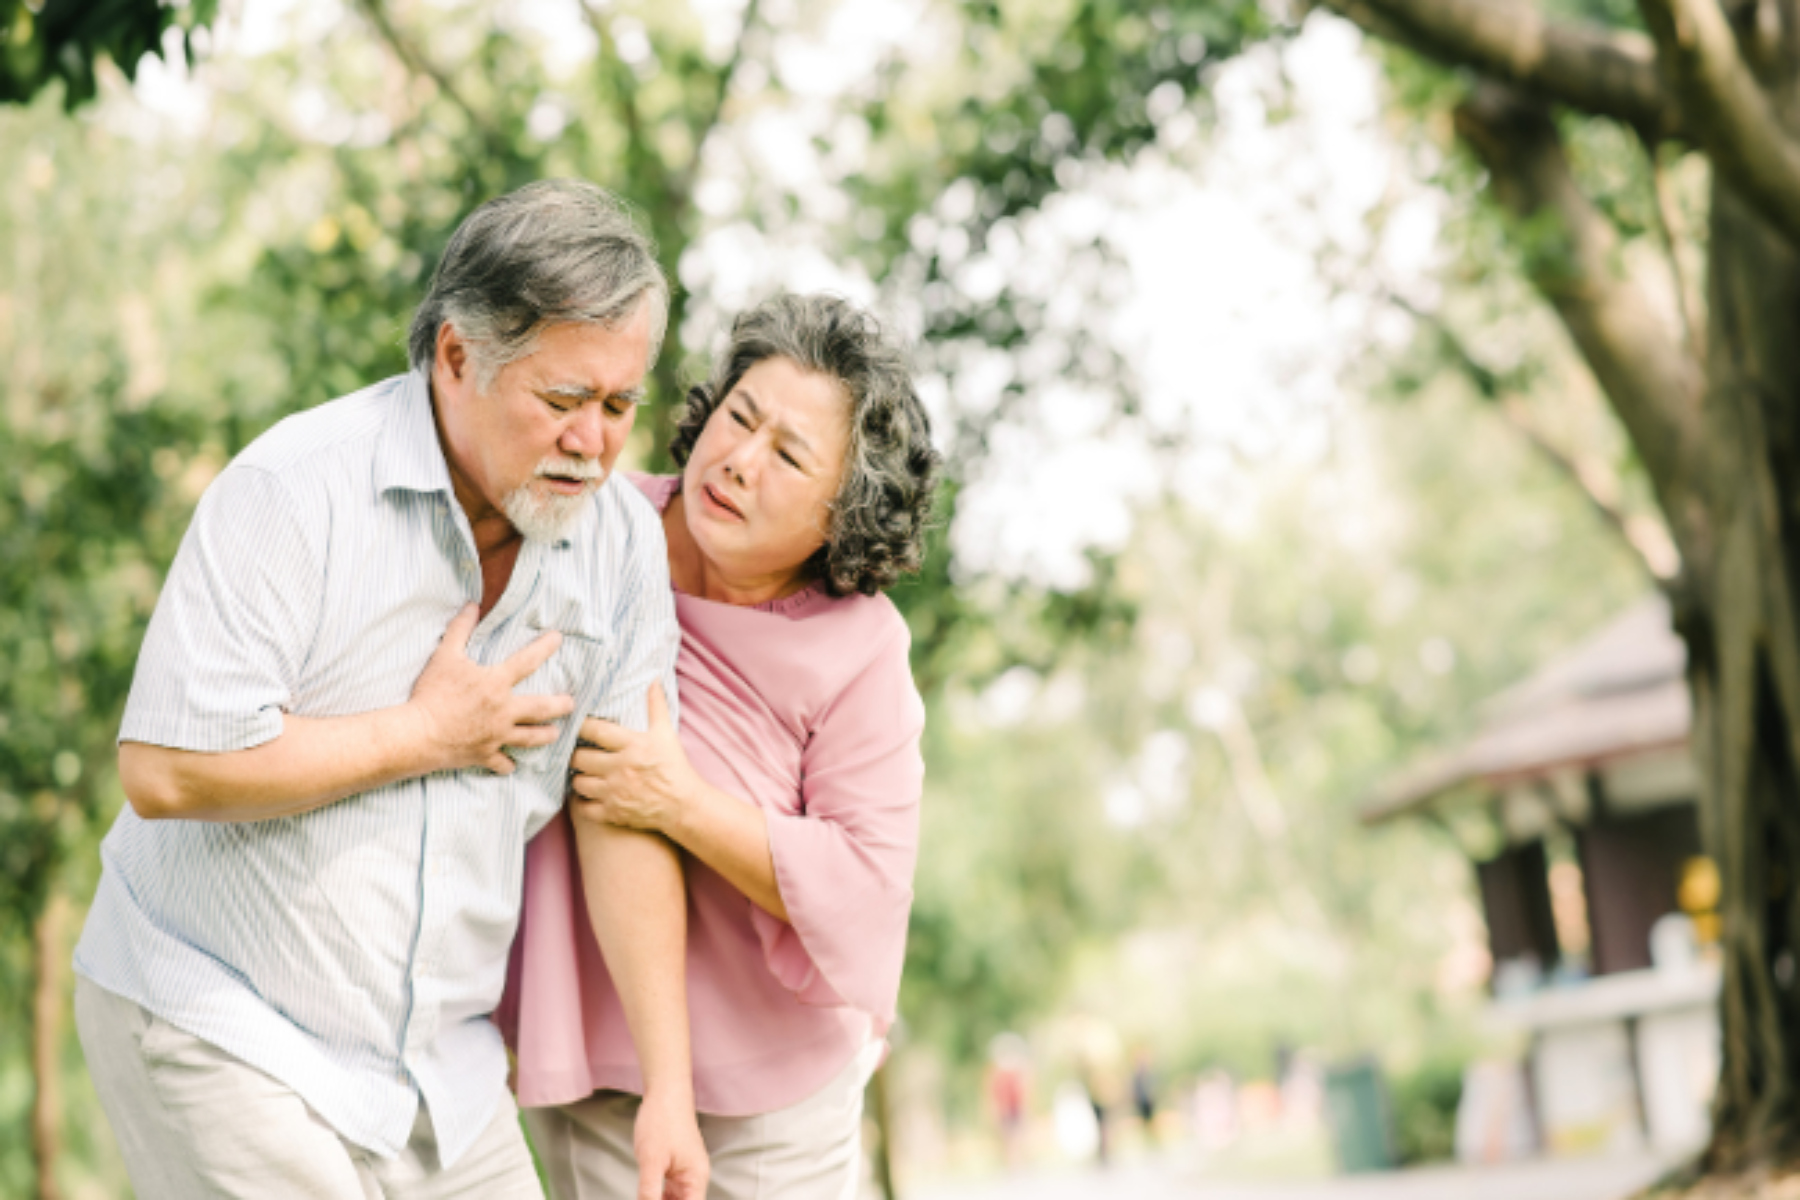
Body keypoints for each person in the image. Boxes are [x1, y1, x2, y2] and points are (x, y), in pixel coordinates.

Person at [72, 181, 707, 1199]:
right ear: (457, 357)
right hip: (224, 1022)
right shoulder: (294, 487)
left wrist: (669, 1088)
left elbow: (618, 810)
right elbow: (165, 768)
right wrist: (424, 733)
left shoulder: (624, 545)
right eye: (561, 401)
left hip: (438, 1076)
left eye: (619, 405)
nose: (593, 442)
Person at [498, 293, 939, 1198]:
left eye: (787, 456)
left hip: (778, 1093)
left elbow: (864, 883)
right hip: (594, 1054)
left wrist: (680, 803)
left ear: (841, 517)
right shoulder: (590, 525)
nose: (738, 462)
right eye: (739, 417)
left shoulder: (860, 647)